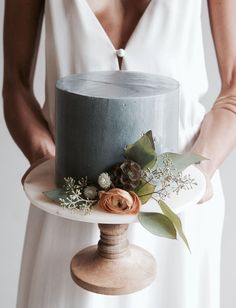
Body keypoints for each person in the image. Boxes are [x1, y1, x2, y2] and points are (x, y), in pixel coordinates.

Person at [2, 0, 236, 307]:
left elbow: (233, 84)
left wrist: (199, 175)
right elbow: (16, 83)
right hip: (68, 199)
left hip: (177, 206)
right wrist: (46, 161)